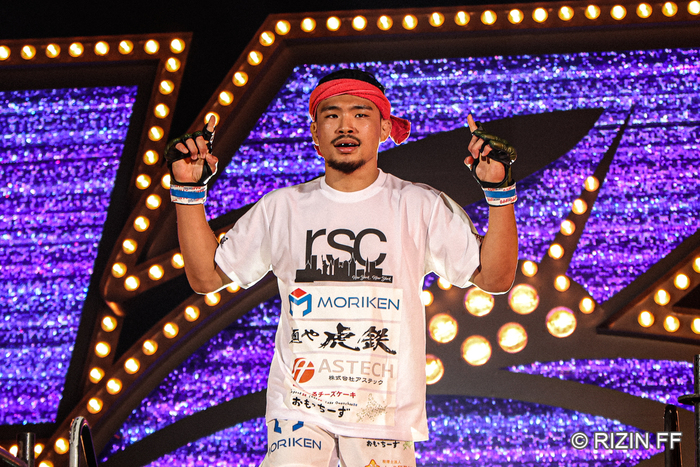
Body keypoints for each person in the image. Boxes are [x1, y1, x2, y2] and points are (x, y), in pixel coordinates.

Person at [165, 69, 518, 467]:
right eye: (331, 115)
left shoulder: (419, 205)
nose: (345, 125)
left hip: (381, 413)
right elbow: (206, 277)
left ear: (383, 128)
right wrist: (188, 190)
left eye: (360, 114)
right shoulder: (283, 207)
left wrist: (499, 191)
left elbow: (495, 278)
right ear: (315, 134)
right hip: (299, 408)